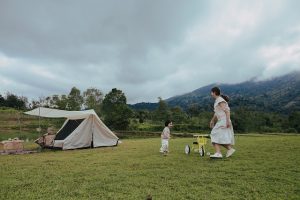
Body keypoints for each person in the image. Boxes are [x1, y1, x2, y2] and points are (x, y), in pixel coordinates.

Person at [209, 87, 235, 158]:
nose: (211, 94)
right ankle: (229, 149)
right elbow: (216, 112)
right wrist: (212, 120)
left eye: (211, 92)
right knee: (218, 138)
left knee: (213, 135)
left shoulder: (220, 100)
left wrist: (227, 121)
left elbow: (227, 111)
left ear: (214, 92)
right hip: (221, 121)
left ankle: (218, 153)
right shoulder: (217, 100)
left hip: (224, 121)